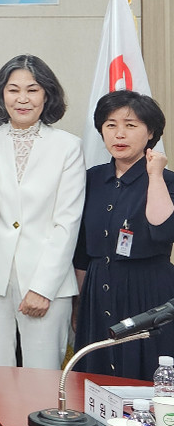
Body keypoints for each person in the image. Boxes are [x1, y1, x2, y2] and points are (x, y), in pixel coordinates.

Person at [0, 54, 85, 369]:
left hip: (46, 278)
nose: (22, 99)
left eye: (32, 90)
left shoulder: (68, 146)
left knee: (43, 376)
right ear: (1, 94)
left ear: (47, 94)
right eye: (13, 90)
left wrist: (43, 287)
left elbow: (67, 223)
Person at [74, 90, 174, 380]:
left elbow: (162, 231)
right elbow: (81, 248)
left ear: (150, 132)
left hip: (149, 290)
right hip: (97, 287)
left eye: (130, 125)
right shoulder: (91, 178)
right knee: (97, 375)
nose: (119, 134)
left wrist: (155, 175)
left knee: (148, 372)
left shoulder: (166, 179)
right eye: (111, 125)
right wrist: (78, 302)